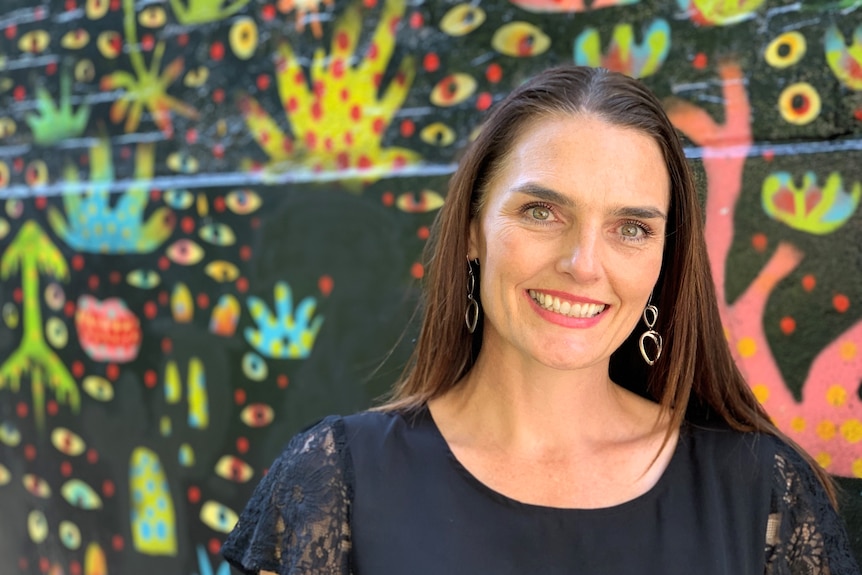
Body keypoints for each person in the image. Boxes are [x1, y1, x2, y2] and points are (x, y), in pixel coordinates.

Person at [221, 66, 860, 574]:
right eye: (540, 212)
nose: (583, 265)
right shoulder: (333, 481)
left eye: (631, 228)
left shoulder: (763, 493)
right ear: (473, 230)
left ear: (665, 260)